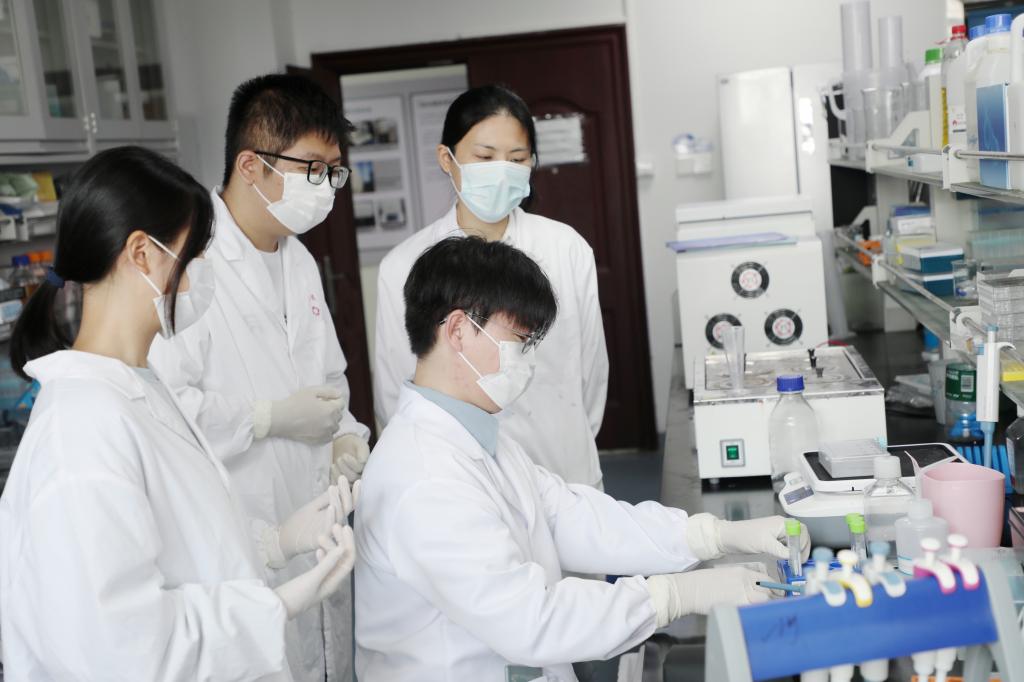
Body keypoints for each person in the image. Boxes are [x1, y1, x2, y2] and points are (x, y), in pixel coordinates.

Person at [355, 237, 810, 681]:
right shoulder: (424, 477)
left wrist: (712, 536)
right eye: (519, 341)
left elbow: (568, 517)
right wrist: (673, 596)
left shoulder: (474, 434)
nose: (527, 362)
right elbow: (530, 621)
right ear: (458, 330)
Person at [0, 146, 355, 680]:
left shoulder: (140, 387)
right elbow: (121, 648)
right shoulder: (81, 430)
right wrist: (274, 608)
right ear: (142, 254)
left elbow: (186, 545)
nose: (202, 277)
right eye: (195, 257)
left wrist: (275, 543)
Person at [148, 74, 371, 682]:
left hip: (312, 517)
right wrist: (267, 419)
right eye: (314, 168)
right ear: (251, 165)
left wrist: (344, 437)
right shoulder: (188, 262)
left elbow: (328, 378)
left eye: (334, 171)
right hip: (242, 529)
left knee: (322, 658)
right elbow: (167, 413)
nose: (326, 186)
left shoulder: (297, 257)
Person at [374, 84, 608, 489]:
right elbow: (396, 390)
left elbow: (591, 372)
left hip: (564, 469)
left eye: (516, 159)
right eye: (484, 157)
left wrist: (571, 440)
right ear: (446, 159)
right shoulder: (404, 265)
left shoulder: (566, 248)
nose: (501, 170)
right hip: (458, 481)